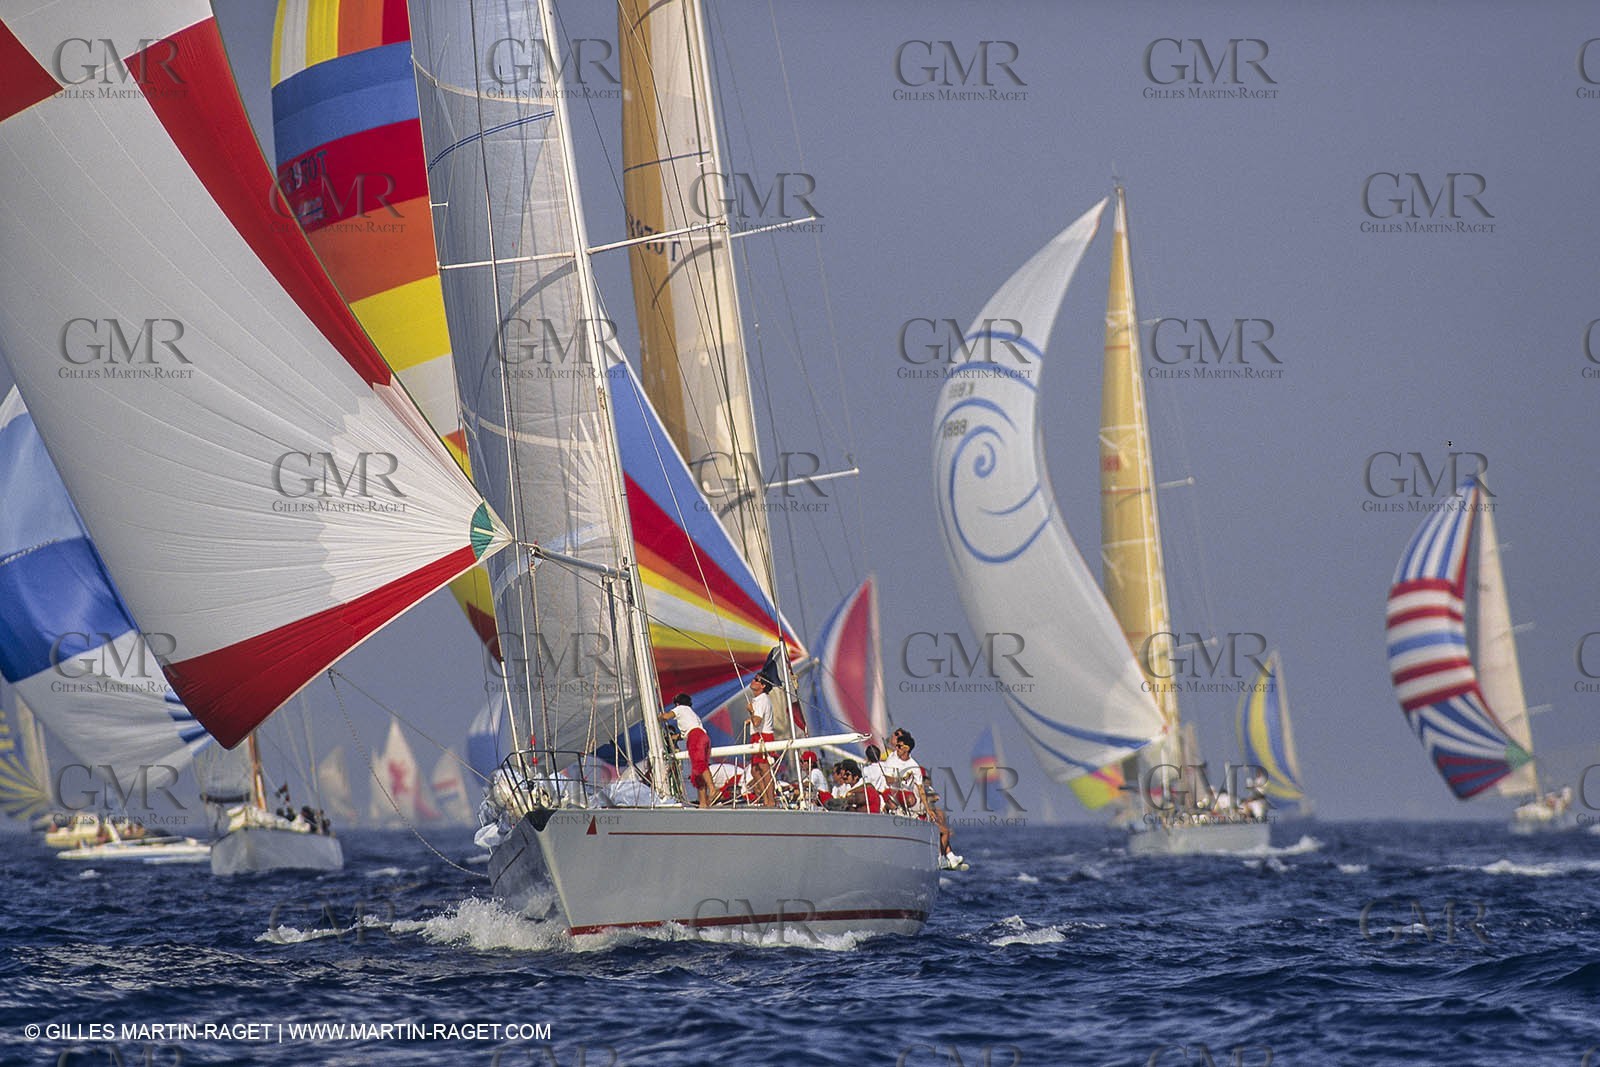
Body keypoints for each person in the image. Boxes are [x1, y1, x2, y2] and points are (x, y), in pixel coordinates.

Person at [660, 692, 713, 808]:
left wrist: (656, 717)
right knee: (697, 773)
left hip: (695, 737)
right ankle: (703, 803)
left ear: (677, 703)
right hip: (703, 736)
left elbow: (666, 717)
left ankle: (713, 790)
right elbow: (687, 731)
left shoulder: (680, 708)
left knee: (699, 764)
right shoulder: (692, 714)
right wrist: (675, 737)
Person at [745, 675, 779, 807]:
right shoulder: (760, 700)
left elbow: (757, 721)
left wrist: (750, 711)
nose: (753, 681)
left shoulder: (760, 700)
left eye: (756, 680)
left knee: (764, 768)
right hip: (758, 735)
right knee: (755, 770)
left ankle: (770, 800)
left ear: (763, 685)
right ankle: (766, 799)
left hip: (762, 736)